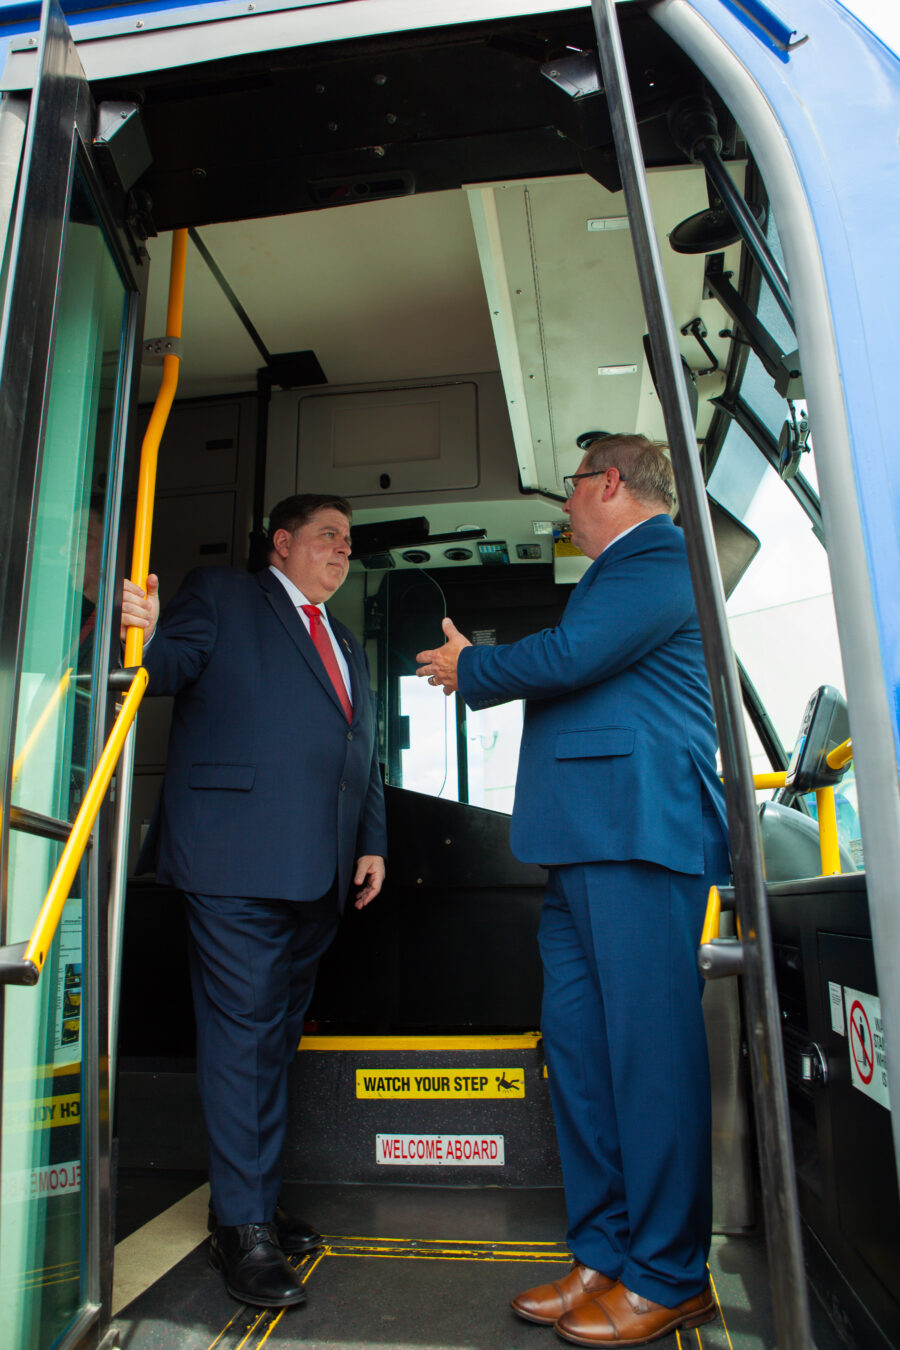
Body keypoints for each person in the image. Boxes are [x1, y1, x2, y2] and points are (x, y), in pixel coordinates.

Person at [416, 434, 729, 1348]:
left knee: (649, 1060)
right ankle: (607, 1253)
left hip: (636, 835)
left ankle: (670, 1273)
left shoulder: (662, 553)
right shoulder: (622, 570)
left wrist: (470, 666)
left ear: (613, 484)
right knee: (585, 1058)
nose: (566, 508)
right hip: (587, 841)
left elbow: (571, 656)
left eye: (572, 489)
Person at [121, 493, 386, 1310]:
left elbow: (359, 750)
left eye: (348, 541)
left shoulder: (343, 639)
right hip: (234, 863)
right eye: (327, 537)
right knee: (241, 1043)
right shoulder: (223, 596)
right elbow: (162, 670)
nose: (342, 551)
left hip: (319, 872)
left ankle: (251, 1205)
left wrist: (371, 838)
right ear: (281, 543)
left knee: (270, 1045)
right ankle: (241, 1229)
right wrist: (141, 626)